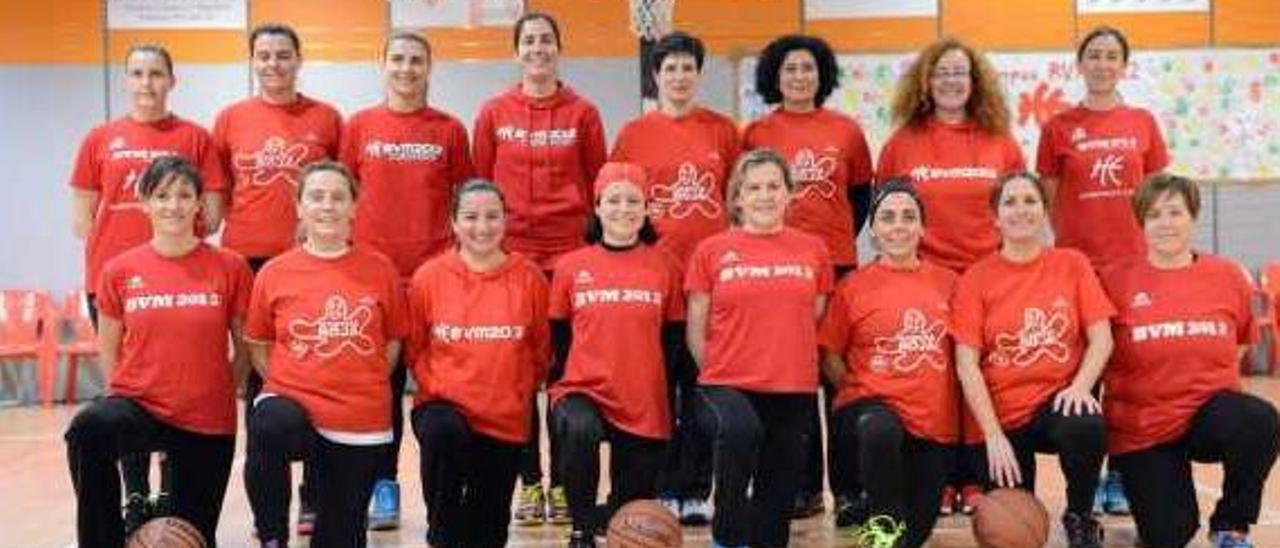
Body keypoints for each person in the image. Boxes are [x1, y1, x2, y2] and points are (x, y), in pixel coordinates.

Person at [68, 44, 226, 529]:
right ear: (126, 79)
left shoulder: (194, 137)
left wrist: (173, 247)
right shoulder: (101, 138)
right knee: (128, 383)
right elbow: (81, 219)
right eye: (137, 73)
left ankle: (169, 491)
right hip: (117, 281)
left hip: (183, 283)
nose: (146, 82)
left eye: (156, 73)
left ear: (171, 80)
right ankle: (134, 493)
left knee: (178, 381)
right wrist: (131, 253)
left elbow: (214, 214)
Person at [65, 156, 252, 548]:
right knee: (88, 429)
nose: (173, 205)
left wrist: (219, 389)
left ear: (200, 203)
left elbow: (245, 347)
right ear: (145, 202)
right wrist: (122, 398)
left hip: (205, 419)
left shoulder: (230, 266)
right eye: (162, 195)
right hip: (140, 407)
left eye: (185, 195)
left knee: (185, 539)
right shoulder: (119, 270)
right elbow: (110, 350)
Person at [878, 37, 1024, 514]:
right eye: (941, 72)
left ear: (975, 81)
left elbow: (1020, 207)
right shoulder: (902, 143)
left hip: (988, 274)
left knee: (985, 375)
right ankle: (938, 477)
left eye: (960, 72)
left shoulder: (1000, 141)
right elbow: (887, 212)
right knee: (937, 377)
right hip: (926, 275)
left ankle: (978, 476)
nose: (951, 80)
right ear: (925, 82)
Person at [472, 12, 606, 523]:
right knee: (520, 373)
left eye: (546, 40)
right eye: (528, 41)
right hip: (513, 261)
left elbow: (598, 184)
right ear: (516, 51)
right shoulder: (492, 112)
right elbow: (479, 185)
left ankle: (571, 486)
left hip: (569, 259)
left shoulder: (584, 113)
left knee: (567, 377)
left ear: (558, 49)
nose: (537, 48)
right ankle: (530, 483)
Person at [339, 31, 474, 531]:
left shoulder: (450, 130)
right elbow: (341, 195)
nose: (406, 68)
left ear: (429, 68)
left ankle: (455, 487)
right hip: (374, 278)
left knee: (447, 385)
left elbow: (465, 200)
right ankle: (383, 484)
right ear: (383, 65)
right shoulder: (359, 126)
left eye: (416, 60)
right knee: (382, 387)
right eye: (397, 59)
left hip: (436, 277)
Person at [1101, 174, 1278, 548]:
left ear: (1193, 216)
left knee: (1259, 420)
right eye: (1154, 215)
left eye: (1175, 212)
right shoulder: (1114, 280)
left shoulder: (1226, 275)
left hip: (1207, 415)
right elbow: (1098, 351)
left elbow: (1240, 344)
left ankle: (1231, 525)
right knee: (1168, 535)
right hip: (1143, 428)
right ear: (1141, 223)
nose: (1165, 223)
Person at [212, 22, 342, 535]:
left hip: (311, 262)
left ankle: (314, 496)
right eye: (263, 55)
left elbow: (344, 191)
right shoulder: (230, 119)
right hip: (247, 263)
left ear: (298, 59)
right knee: (259, 382)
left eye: (282, 55)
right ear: (252, 61)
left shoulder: (327, 119)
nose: (273, 64)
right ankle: (269, 506)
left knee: (316, 371)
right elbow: (217, 197)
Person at [1036, 26, 1170, 515]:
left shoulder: (1143, 122)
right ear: (1081, 63)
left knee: (1129, 375)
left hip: (1134, 266)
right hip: (1080, 268)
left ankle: (1120, 474)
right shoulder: (1059, 127)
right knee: (1084, 375)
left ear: (1123, 64)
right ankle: (1085, 480)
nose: (1102, 63)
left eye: (1112, 55)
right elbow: (1046, 202)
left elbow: (1158, 199)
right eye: (1093, 55)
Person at [743, 33, 874, 521]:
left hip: (834, 265)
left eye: (808, 68)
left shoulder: (847, 131)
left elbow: (860, 197)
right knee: (795, 379)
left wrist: (828, 242)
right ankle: (801, 488)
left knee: (837, 378)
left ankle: (850, 489)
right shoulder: (756, 133)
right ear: (774, 77)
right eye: (790, 69)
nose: (800, 77)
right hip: (777, 269)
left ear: (823, 75)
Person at [242, 162, 407, 548]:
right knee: (267, 423)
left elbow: (392, 344)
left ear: (354, 207)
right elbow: (259, 345)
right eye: (316, 197)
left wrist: (356, 378)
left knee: (340, 538)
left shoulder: (381, 269)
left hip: (358, 417)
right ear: (299, 207)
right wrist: (293, 382)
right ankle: (272, 538)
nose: (327, 206)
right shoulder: (275, 273)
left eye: (338, 197)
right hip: (293, 407)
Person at [611, 30, 740, 524]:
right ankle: (663, 486)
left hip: (712, 287)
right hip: (654, 283)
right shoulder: (633, 135)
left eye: (688, 67)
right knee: (658, 390)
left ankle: (695, 487)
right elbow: (617, 206)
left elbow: (738, 202)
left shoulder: (724, 132)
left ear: (698, 74)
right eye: (670, 69)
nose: (680, 76)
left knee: (704, 390)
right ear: (656, 76)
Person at [951, 172, 1113, 548]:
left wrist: (1079, 388)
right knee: (1011, 526)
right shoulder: (976, 278)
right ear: (995, 217)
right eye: (1010, 202)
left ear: (1044, 212)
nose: (1020, 210)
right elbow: (966, 364)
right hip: (1002, 414)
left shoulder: (1072, 264)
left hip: (1055, 401)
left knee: (1085, 423)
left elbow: (1102, 339)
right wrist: (992, 435)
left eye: (1030, 201)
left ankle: (1079, 515)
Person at [686, 149, 833, 548]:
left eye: (774, 187)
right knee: (738, 431)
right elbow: (696, 328)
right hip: (727, 384)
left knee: (777, 505)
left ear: (789, 194)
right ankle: (726, 535)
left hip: (793, 387)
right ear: (737, 197)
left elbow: (814, 316)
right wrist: (717, 371)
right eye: (754, 188)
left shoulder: (814, 251)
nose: (765, 196)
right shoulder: (711, 250)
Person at [406, 179, 550, 548]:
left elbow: (539, 352)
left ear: (505, 220)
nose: (482, 226)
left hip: (504, 418)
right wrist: (444, 387)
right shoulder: (428, 278)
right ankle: (441, 534)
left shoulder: (530, 278)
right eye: (470, 217)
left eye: (492, 216)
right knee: (443, 433)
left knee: (486, 533)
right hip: (443, 408)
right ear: (453, 222)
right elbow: (415, 350)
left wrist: (513, 392)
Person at [547, 163, 684, 547]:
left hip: (642, 397)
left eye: (633, 201)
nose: (623, 209)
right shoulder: (572, 267)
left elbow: (671, 341)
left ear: (645, 209)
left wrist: (659, 392)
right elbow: (560, 337)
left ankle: (611, 518)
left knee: (630, 517)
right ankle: (581, 528)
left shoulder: (667, 266)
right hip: (583, 389)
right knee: (579, 429)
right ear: (598, 206)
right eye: (614, 200)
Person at [819, 180, 958, 547]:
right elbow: (830, 354)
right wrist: (858, 389)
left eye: (909, 217)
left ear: (922, 227)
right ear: (874, 229)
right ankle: (879, 524)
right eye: (888, 217)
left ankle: (877, 514)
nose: (899, 225)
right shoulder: (852, 286)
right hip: (871, 411)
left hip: (931, 424)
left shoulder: (950, 283)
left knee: (915, 533)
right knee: (879, 429)